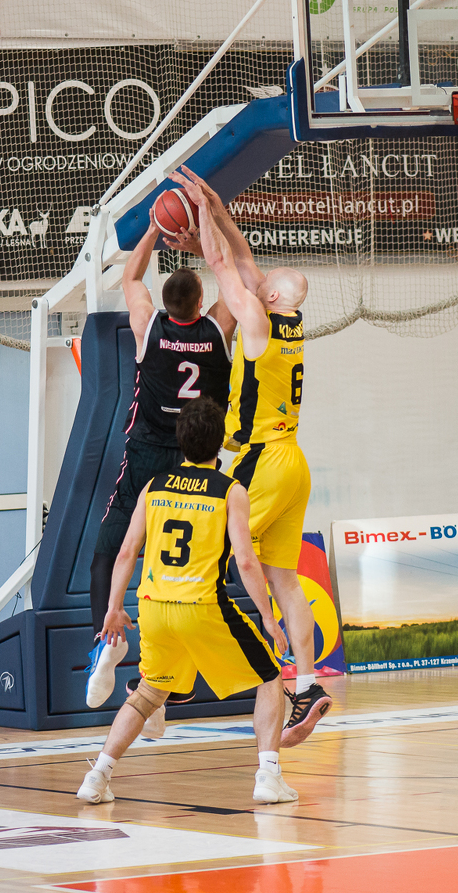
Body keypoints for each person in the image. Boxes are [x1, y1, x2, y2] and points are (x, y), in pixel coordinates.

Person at [172, 166, 332, 747]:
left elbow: (223, 265)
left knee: (210, 552)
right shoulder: (288, 320)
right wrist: (218, 210)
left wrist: (200, 212)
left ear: (270, 298)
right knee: (285, 578)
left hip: (261, 459)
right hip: (295, 461)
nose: (253, 285)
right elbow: (241, 260)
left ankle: (180, 674)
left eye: (261, 286)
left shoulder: (259, 323)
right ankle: (308, 684)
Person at [77, 395, 296, 805]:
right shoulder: (230, 491)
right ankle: (268, 776)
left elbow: (126, 552)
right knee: (269, 678)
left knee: (148, 693)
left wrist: (113, 607)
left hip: (154, 607)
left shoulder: (154, 487)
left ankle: (97, 776)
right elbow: (246, 561)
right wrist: (268, 617)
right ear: (220, 441)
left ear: (180, 440)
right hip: (202, 604)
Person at [85, 215, 235, 723]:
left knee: (109, 552)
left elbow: (131, 278)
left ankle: (105, 642)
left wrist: (153, 228)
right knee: (185, 571)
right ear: (200, 301)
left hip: (147, 453)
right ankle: (166, 679)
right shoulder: (219, 328)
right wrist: (201, 246)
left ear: (166, 303)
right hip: (198, 459)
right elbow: (233, 276)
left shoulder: (149, 325)